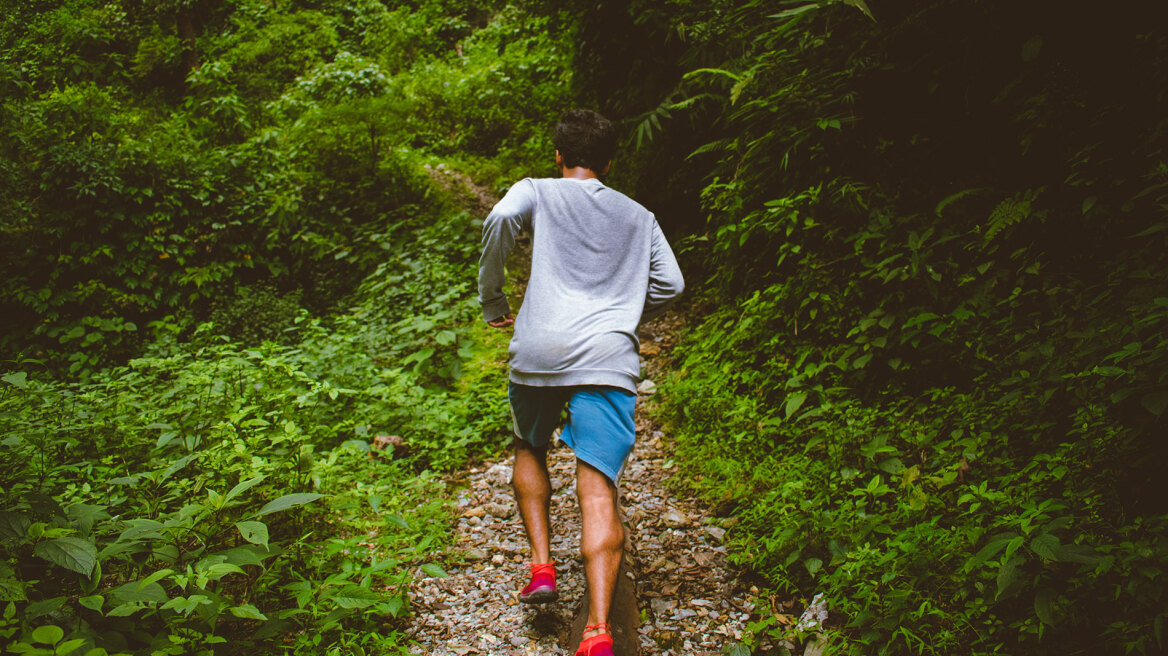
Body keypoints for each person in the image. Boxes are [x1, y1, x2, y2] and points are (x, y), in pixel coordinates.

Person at [477, 109, 684, 656]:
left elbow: (499, 219)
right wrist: (623, 314)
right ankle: (596, 631)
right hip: (608, 356)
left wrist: (493, 299)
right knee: (597, 489)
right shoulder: (639, 215)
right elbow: (674, 284)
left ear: (558, 154)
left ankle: (541, 567)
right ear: (611, 160)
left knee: (529, 444)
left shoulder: (536, 190)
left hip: (540, 348)